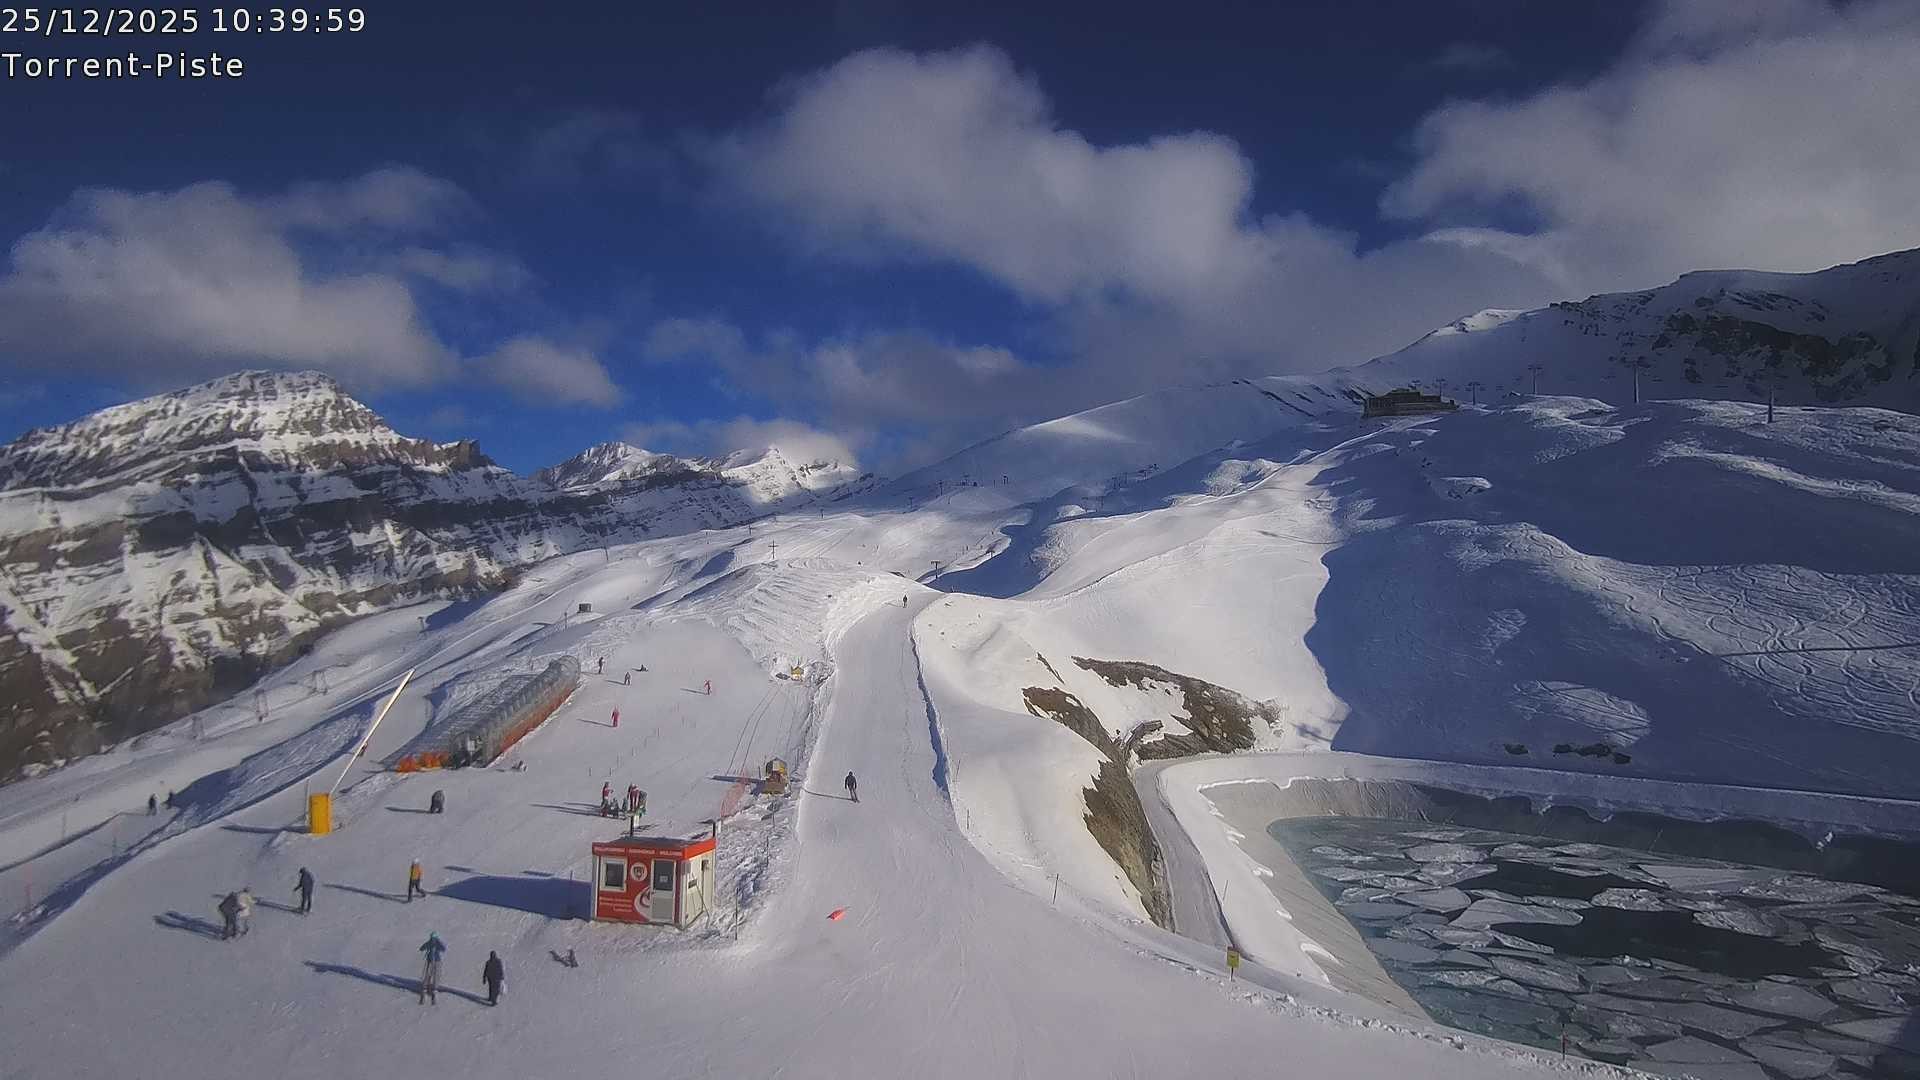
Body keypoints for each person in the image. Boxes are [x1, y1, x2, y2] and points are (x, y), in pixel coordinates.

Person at [418, 932, 446, 1004]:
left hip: (434, 961)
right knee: (431, 974)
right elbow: (443, 948)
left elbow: (443, 948)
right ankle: (430, 988)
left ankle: (429, 988)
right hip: (432, 961)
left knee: (432, 974)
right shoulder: (432, 942)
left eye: (434, 937)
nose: (433, 939)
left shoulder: (433, 942)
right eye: (432, 937)